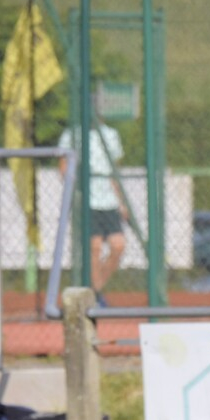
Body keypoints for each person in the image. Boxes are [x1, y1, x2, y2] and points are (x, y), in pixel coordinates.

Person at [58, 115, 126, 308]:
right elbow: (63, 167)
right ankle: (95, 297)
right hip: (87, 201)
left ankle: (95, 290)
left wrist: (121, 201)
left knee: (118, 245)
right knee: (94, 247)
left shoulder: (111, 135)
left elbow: (114, 171)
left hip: (109, 201)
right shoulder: (72, 134)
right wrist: (75, 189)